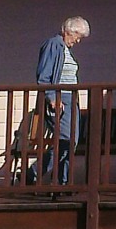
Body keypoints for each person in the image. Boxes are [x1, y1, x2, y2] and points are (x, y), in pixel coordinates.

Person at [33, 16, 89, 185]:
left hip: (71, 99)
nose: (78, 40)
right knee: (66, 140)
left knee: (71, 142)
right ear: (68, 31)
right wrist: (52, 97)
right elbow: (44, 75)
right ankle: (37, 175)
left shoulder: (65, 48)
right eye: (77, 36)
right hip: (60, 98)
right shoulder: (54, 44)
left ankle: (61, 181)